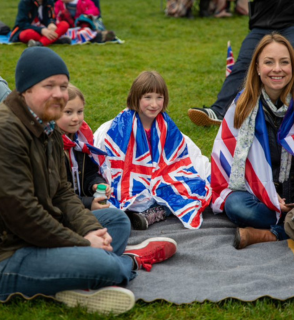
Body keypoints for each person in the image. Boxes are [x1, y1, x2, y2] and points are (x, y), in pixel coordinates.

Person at [0, 47, 177, 314]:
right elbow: (22, 214)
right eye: (49, 86)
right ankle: (128, 262)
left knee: (115, 220)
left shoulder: (46, 123)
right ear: (26, 89)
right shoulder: (7, 132)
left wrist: (88, 229)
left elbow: (61, 190)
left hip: (41, 231)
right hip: (10, 252)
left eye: (63, 85)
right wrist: (83, 241)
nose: (59, 94)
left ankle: (75, 282)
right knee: (104, 264)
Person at [211, 33, 294, 250]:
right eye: (269, 62)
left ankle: (270, 234)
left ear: (293, 67)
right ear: (258, 68)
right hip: (260, 199)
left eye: (284, 62)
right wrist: (267, 196)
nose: (277, 69)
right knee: (237, 206)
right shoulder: (241, 106)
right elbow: (231, 163)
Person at [94, 71, 212, 230]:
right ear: (136, 98)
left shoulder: (166, 127)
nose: (154, 104)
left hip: (159, 177)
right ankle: (148, 212)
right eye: (148, 97)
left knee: (190, 187)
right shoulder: (118, 127)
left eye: (159, 98)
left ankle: (153, 213)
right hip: (133, 183)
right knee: (123, 196)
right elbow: (110, 159)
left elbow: (178, 155)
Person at [188, 0, 294, 127]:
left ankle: (288, 110)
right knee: (244, 63)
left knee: (287, 60)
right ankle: (219, 111)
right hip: (262, 25)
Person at [56, 83, 112, 210]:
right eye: (68, 112)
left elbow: (89, 173)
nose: (76, 118)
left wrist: (96, 184)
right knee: (119, 219)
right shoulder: (50, 146)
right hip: (62, 211)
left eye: (79, 111)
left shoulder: (80, 141)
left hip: (80, 207)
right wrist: (88, 204)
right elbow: (56, 194)